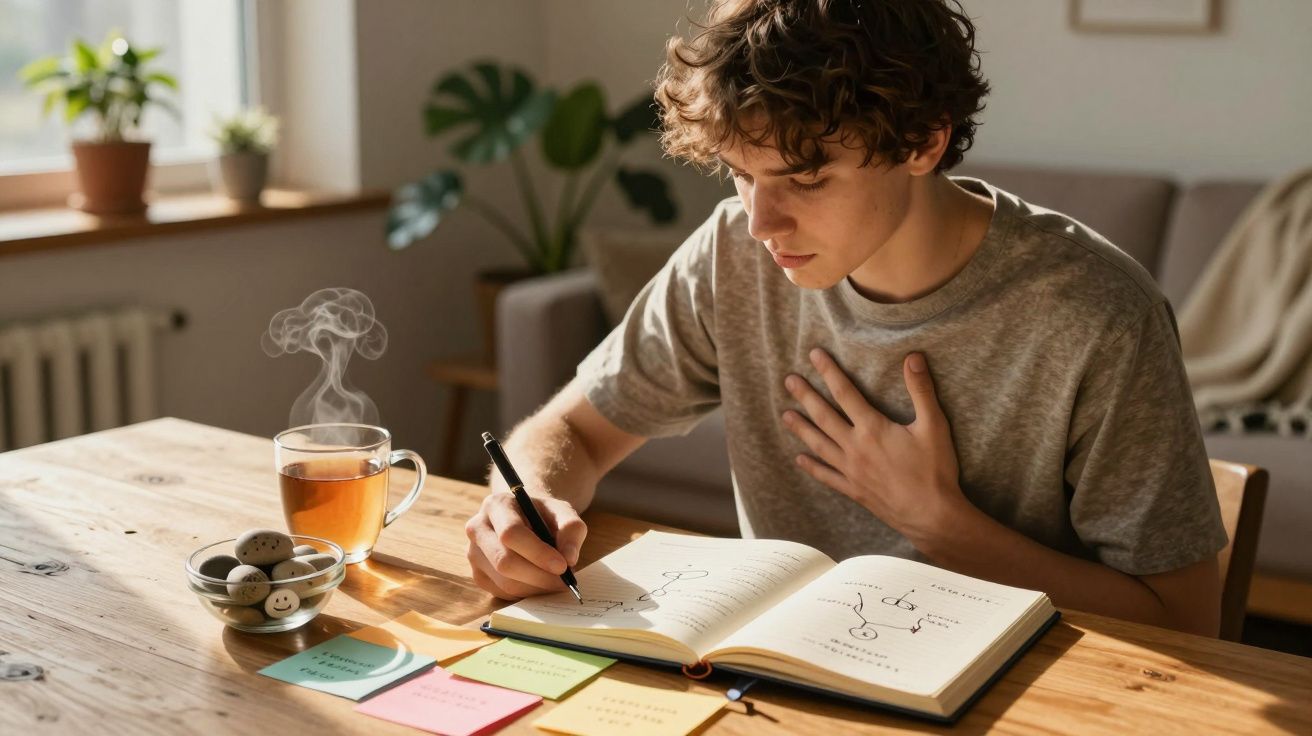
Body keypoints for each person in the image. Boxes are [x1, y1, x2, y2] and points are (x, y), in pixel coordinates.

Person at [464, 0, 1227, 636]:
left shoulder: (1096, 313)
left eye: (804, 178)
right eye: (740, 176)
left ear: (924, 141)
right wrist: (523, 499)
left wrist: (941, 525)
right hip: (779, 682)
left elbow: (1186, 620)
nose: (762, 222)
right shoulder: (733, 254)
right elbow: (573, 432)